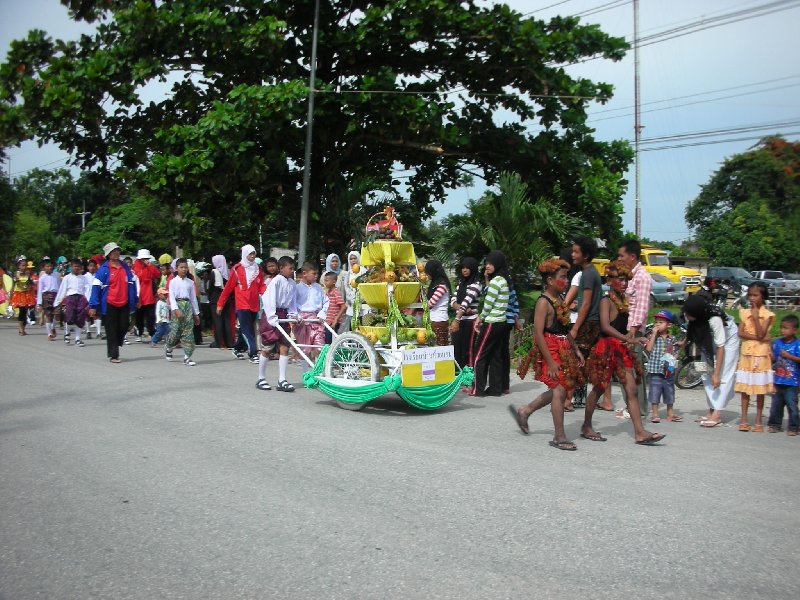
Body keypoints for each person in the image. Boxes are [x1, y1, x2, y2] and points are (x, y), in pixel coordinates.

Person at [581, 261, 665, 445]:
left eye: (626, 279)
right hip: (606, 349)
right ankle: (586, 425)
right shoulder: (606, 301)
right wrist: (629, 339)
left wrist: (630, 337)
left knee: (631, 390)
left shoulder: (623, 301)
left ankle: (640, 432)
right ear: (609, 280)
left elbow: (621, 327)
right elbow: (605, 326)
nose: (624, 283)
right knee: (598, 389)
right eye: (620, 279)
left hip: (620, 349)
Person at [510, 259, 584, 450]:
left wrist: (575, 349)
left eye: (567, 277)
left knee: (560, 390)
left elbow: (564, 329)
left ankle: (526, 411)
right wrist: (550, 362)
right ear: (550, 280)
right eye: (562, 277)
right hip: (550, 348)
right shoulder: (543, 302)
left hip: (563, 346)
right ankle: (559, 436)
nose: (566, 281)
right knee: (559, 391)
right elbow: (538, 333)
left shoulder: (560, 299)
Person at [682, 294, 740, 427]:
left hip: (728, 341)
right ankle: (711, 409)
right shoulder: (697, 316)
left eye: (688, 313)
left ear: (696, 312)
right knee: (704, 371)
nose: (685, 315)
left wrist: (716, 374)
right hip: (709, 342)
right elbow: (692, 330)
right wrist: (683, 342)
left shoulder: (715, 320)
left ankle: (717, 414)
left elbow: (721, 347)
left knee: (723, 376)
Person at [617, 239, 653, 416]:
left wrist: (632, 333)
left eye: (622, 255)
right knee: (624, 369)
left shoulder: (642, 277)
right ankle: (630, 406)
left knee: (633, 369)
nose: (619, 259)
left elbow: (641, 308)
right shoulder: (628, 276)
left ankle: (639, 409)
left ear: (632, 256)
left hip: (633, 330)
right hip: (624, 329)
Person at [734, 281, 775, 432]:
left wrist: (756, 318)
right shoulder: (744, 313)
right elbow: (741, 333)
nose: (752, 298)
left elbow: (762, 333)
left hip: (761, 355)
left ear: (762, 297)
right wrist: (759, 337)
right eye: (750, 295)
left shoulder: (768, 315)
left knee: (759, 389)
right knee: (745, 389)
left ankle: (758, 420)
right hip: (747, 354)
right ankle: (744, 419)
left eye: (755, 295)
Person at [89, 243, 139, 363]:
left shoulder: (125, 268)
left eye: (117, 250)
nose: (116, 253)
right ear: (108, 254)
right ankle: (114, 355)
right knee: (111, 329)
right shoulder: (103, 270)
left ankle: (116, 342)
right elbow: (96, 288)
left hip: (124, 302)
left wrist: (135, 299)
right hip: (109, 303)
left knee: (124, 325)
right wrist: (93, 305)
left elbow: (132, 283)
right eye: (113, 251)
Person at [216, 244, 266, 363]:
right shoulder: (237, 269)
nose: (252, 256)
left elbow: (261, 286)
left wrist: (267, 295)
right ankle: (253, 353)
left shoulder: (258, 268)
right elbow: (228, 288)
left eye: (254, 253)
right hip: (242, 304)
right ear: (244, 254)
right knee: (247, 330)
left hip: (254, 304)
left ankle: (237, 348)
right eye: (250, 254)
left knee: (246, 329)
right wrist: (220, 304)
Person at [472, 251, 511, 397]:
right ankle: (496, 389)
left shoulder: (495, 282)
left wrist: (480, 318)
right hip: (501, 322)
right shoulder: (503, 280)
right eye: (486, 263)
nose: (487, 266)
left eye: (490, 263)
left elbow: (488, 305)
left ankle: (477, 389)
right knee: (496, 356)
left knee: (479, 356)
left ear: (497, 264)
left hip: (491, 323)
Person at [261, 256, 298, 392]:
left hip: (284, 316)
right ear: (281, 268)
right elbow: (268, 299)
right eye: (290, 268)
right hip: (272, 315)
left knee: (284, 347)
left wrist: (293, 314)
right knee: (268, 348)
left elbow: (292, 301)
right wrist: (272, 316)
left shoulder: (292, 283)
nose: (292, 271)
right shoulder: (276, 281)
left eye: (293, 268)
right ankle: (261, 378)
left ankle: (282, 379)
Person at [645, 309, 681, 422]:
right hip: (655, 369)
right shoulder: (652, 336)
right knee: (655, 391)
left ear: (668, 325)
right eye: (656, 322)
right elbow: (648, 348)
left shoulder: (672, 338)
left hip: (668, 370)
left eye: (661, 322)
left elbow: (676, 352)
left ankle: (670, 413)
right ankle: (655, 414)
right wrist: (653, 334)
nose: (657, 324)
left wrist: (674, 359)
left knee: (669, 391)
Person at [164, 258, 201, 366]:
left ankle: (187, 357)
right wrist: (175, 309)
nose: (184, 269)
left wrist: (196, 313)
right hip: (177, 306)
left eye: (185, 267)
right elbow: (171, 297)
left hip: (188, 307)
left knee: (188, 332)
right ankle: (169, 346)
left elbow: (193, 299)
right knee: (176, 331)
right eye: (181, 267)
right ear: (176, 268)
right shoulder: (173, 282)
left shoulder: (190, 282)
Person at [767, 315, 800, 435]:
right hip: (778, 380)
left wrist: (789, 356)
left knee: (792, 406)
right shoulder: (777, 343)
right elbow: (775, 360)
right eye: (781, 328)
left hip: (792, 382)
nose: (782, 330)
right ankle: (775, 424)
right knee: (776, 405)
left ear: (794, 330)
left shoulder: (797, 344)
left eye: (786, 328)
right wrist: (771, 356)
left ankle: (794, 427)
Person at [294, 261, 329, 370]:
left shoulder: (318, 287)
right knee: (305, 349)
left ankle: (318, 372)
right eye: (313, 273)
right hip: (302, 321)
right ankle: (306, 373)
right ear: (304, 273)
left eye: (317, 273)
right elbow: (292, 304)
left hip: (317, 320)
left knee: (319, 347)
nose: (316, 276)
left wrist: (322, 313)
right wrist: (297, 315)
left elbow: (326, 301)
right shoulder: (297, 288)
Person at [449, 257, 481, 368]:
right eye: (463, 268)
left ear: (473, 269)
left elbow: (467, 301)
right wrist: (462, 308)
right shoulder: (461, 283)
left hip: (470, 322)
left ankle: (470, 375)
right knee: (456, 349)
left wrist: (456, 319)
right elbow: (452, 301)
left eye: (467, 268)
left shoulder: (476, 285)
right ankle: (458, 374)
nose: (465, 270)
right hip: (460, 320)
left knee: (468, 350)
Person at [54, 258, 90, 347]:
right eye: (74, 266)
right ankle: (67, 333)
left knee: (80, 318)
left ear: (81, 267)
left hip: (81, 298)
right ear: (71, 267)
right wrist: (58, 302)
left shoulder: (84, 278)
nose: (76, 268)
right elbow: (62, 289)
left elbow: (87, 290)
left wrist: (89, 301)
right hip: (70, 298)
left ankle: (78, 339)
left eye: (78, 266)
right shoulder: (67, 277)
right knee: (69, 317)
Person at [132, 248, 161, 343]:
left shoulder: (150, 266)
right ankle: (139, 333)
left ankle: (152, 333)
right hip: (139, 296)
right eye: (143, 258)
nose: (145, 260)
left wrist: (150, 266)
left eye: (146, 258)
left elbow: (157, 274)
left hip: (149, 296)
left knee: (151, 316)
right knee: (139, 316)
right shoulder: (135, 267)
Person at [208, 254, 234, 349]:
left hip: (215, 299)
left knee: (217, 321)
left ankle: (219, 342)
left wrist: (210, 297)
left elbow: (211, 287)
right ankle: (229, 342)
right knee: (226, 321)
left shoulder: (214, 272)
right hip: (226, 299)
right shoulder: (228, 272)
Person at [424, 260, 451, 346]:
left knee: (440, 348)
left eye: (428, 273)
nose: (427, 275)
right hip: (434, 319)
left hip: (439, 320)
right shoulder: (435, 283)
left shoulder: (441, 285)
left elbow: (431, 303)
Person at [35, 257, 61, 341]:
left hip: (56, 296)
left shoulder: (56, 275)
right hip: (46, 297)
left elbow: (60, 286)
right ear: (43, 267)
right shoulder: (42, 278)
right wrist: (39, 303)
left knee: (57, 314)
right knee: (48, 315)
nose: (49, 268)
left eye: (50, 266)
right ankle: (49, 333)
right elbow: (40, 290)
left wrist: (61, 297)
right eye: (47, 266)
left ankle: (53, 327)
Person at [10, 256, 37, 336]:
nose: (24, 267)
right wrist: (10, 296)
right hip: (19, 294)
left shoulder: (27, 274)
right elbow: (13, 284)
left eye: (25, 265)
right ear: (18, 266)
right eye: (22, 265)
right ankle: (20, 329)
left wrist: (30, 283)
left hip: (27, 294)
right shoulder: (16, 273)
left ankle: (23, 328)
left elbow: (31, 283)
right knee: (21, 311)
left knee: (25, 312)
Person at [337, 250, 363, 333]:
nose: (353, 261)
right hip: (351, 306)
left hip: (362, 306)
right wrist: (351, 298)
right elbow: (346, 288)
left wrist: (359, 298)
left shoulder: (364, 272)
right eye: (351, 259)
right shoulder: (348, 274)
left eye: (355, 258)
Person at [323, 271, 345, 345]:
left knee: (331, 342)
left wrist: (336, 319)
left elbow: (343, 306)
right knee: (327, 341)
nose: (325, 283)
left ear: (334, 282)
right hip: (327, 321)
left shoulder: (336, 293)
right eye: (324, 280)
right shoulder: (327, 293)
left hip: (333, 322)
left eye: (327, 281)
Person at [83, 259, 102, 339]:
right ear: (87, 267)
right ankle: (88, 331)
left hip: (96, 298)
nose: (92, 268)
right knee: (87, 316)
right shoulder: (84, 277)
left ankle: (98, 332)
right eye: (90, 266)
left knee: (98, 315)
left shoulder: (98, 276)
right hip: (86, 298)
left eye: (94, 266)